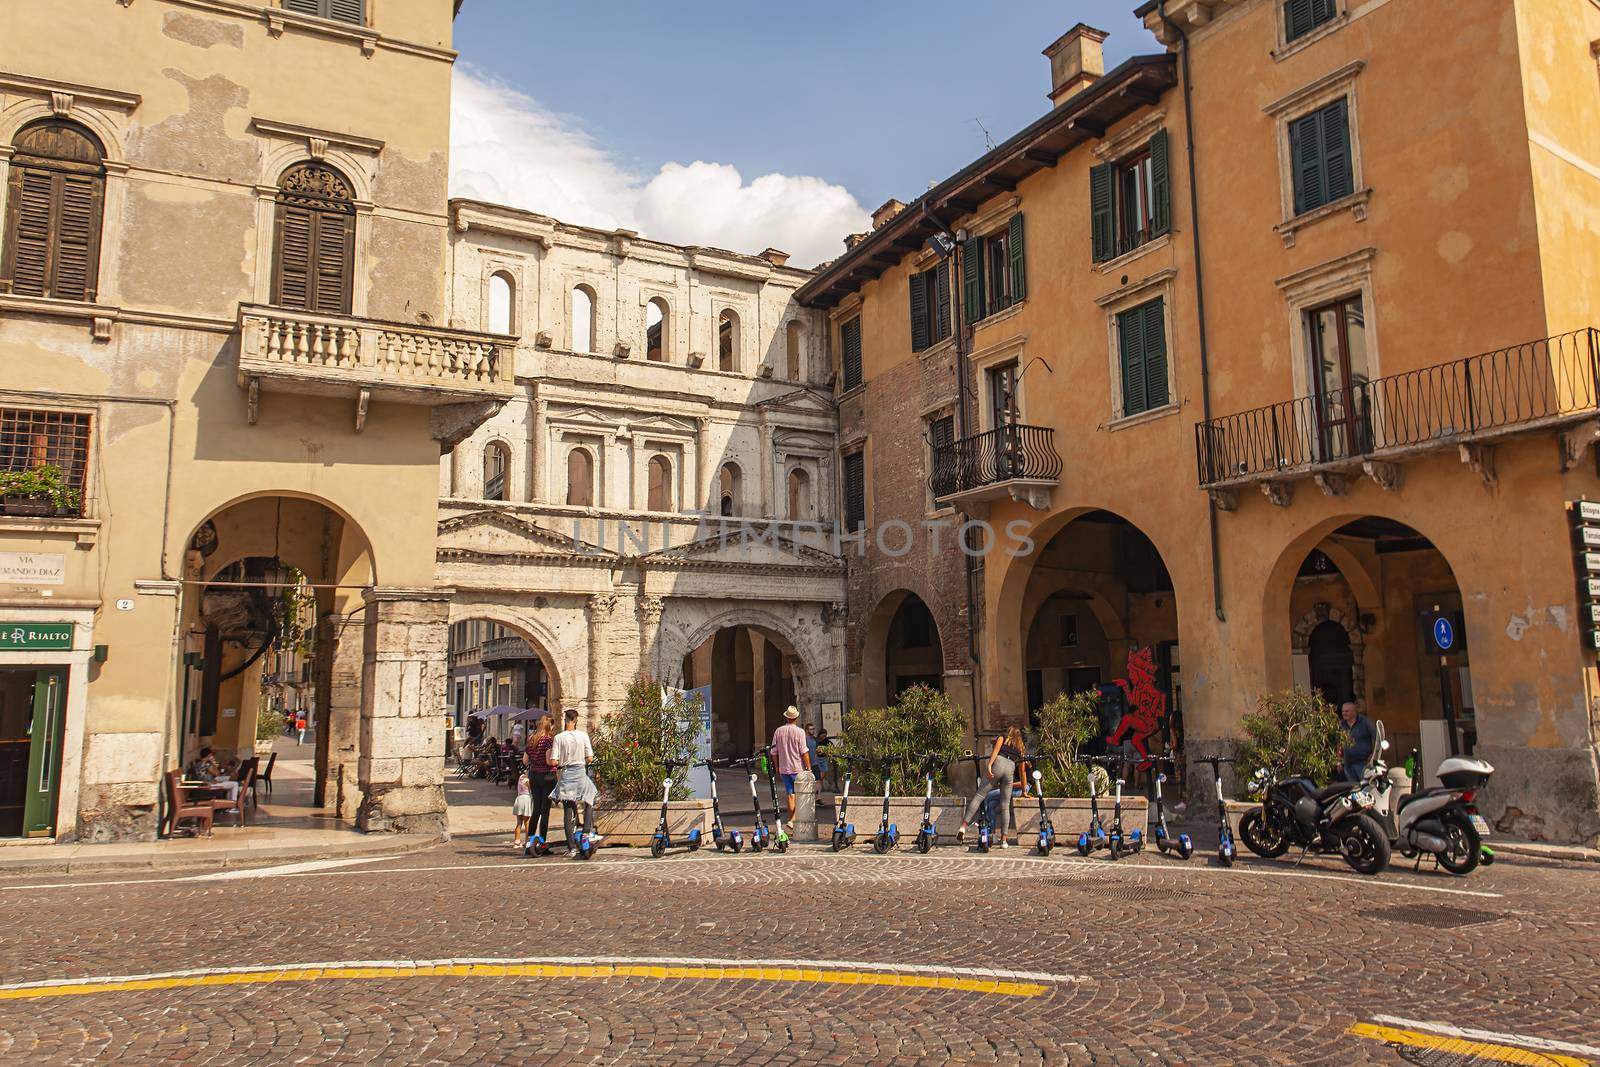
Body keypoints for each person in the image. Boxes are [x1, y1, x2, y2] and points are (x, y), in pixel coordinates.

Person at [959, 726, 1025, 848]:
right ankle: (1004, 840)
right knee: (1005, 805)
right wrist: (1024, 791)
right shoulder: (1020, 748)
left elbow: (995, 751)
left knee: (979, 796)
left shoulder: (1002, 738)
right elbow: (1022, 772)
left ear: (1008, 733)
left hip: (999, 763)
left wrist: (989, 765)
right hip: (1010, 768)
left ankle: (963, 826)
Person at [549, 708, 600, 857]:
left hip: (566, 773)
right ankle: (586, 833)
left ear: (565, 720)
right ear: (576, 720)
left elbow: (553, 761)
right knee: (590, 798)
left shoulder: (559, 738)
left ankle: (571, 847)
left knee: (568, 809)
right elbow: (589, 757)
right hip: (579, 772)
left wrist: (562, 761)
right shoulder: (583, 736)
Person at [770, 705, 811, 822]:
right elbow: (804, 751)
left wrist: (777, 766)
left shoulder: (779, 731)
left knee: (790, 793)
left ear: (786, 717)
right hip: (797, 768)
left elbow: (773, 752)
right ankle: (795, 819)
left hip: (784, 768)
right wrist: (808, 767)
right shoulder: (800, 732)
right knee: (801, 795)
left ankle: (790, 818)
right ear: (796, 718)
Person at [524, 714, 557, 852]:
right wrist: (557, 762)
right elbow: (549, 760)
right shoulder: (548, 740)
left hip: (533, 775)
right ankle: (542, 843)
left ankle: (530, 842)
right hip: (546, 776)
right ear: (550, 726)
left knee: (535, 809)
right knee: (545, 812)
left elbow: (525, 761)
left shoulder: (531, 739)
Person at [1339, 701, 1376, 783]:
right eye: (1343, 711)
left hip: (1363, 763)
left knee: (1365, 786)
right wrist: (1339, 761)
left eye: (1347, 711)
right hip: (1348, 764)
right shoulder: (1341, 725)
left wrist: (1373, 755)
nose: (1344, 713)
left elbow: (1377, 738)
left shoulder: (1366, 723)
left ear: (1354, 712)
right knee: (1353, 788)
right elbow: (1338, 743)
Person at [511, 769, 533, 849]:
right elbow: (531, 789)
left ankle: (517, 841)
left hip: (519, 799)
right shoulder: (528, 780)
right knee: (527, 822)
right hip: (526, 799)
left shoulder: (521, 777)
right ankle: (528, 841)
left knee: (519, 822)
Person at [815, 725, 833, 790]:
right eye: (822, 735)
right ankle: (820, 787)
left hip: (824, 758)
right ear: (820, 734)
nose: (823, 737)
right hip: (817, 758)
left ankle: (819, 782)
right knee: (819, 771)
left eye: (825, 736)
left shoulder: (826, 741)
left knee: (824, 770)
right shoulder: (816, 741)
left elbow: (831, 746)